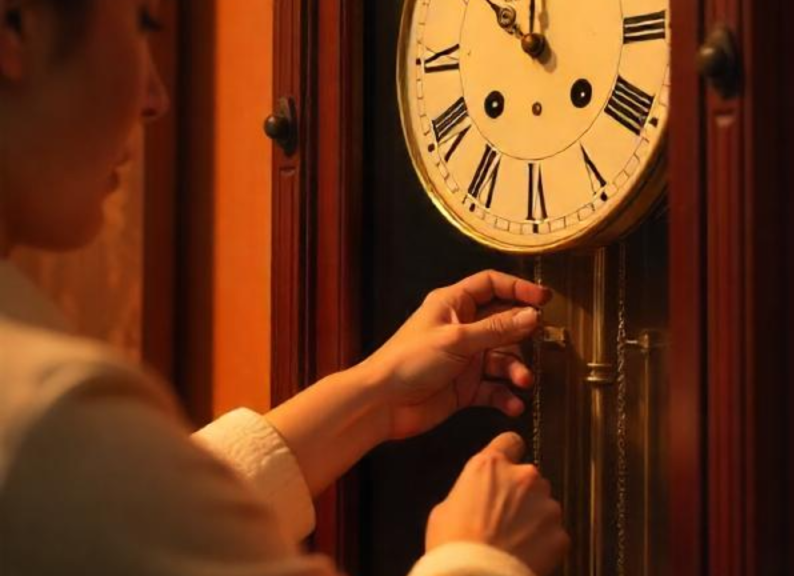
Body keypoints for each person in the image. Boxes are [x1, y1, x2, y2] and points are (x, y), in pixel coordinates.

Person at [0, 1, 569, 575]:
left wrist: (376, 393)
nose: (155, 98)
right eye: (141, 25)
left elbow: (126, 513)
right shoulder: (48, 421)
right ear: (15, 28)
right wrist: (479, 557)